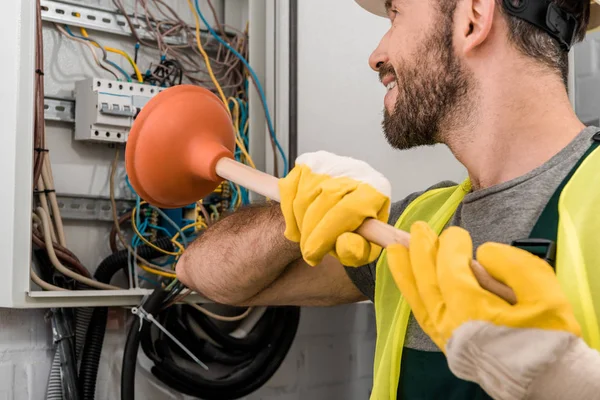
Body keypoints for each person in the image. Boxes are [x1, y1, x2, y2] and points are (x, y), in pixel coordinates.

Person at [177, 0, 600, 398]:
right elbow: (204, 274)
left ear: (473, 17)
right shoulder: (416, 222)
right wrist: (294, 215)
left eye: (395, 14)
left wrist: (572, 384)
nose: (377, 56)